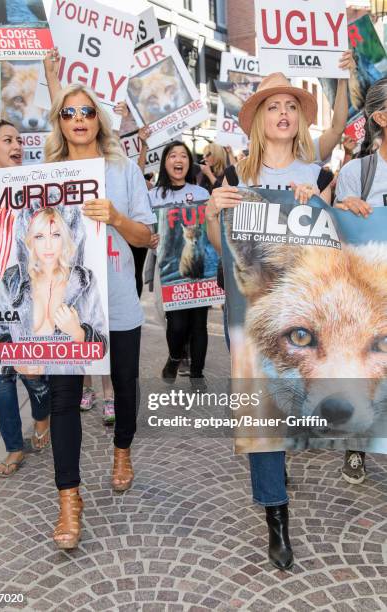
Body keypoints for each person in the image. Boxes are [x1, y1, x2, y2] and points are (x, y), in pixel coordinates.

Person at [206, 71, 324, 571]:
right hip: (254, 316)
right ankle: (276, 515)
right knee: (262, 415)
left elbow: (334, 246)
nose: (283, 112)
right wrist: (212, 211)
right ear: (257, 120)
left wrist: (330, 205)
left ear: (298, 120)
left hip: (308, 321)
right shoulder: (236, 178)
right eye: (273, 105)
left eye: (291, 106)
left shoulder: (316, 175)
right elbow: (221, 249)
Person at [42, 80, 155, 549]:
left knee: (124, 383)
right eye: (69, 113)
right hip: (64, 305)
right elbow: (19, 230)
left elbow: (145, 237)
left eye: (87, 110)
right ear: (59, 123)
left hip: (118, 300)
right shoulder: (42, 174)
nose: (79, 119)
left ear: (99, 119)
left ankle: (122, 451)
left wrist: (117, 218)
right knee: (64, 398)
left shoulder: (123, 169)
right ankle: (69, 500)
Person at [0, 52, 60, 475]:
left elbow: (63, 138)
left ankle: (43, 414)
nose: (18, 146)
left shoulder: (35, 177)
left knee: (33, 371)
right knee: (0, 374)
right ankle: (13, 445)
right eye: (8, 140)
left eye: (20, 140)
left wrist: (52, 78)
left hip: (25, 291)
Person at [334, 77, 387, 485]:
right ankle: (356, 445)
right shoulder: (358, 172)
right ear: (381, 117)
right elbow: (335, 236)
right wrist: (344, 208)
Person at [0, 205, 108, 375]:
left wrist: (78, 333)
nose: (48, 245)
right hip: (32, 383)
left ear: (65, 238)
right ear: (30, 240)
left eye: (55, 235)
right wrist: (16, 361)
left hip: (68, 381)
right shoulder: (12, 279)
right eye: (40, 236)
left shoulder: (84, 281)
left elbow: (102, 347)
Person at [148, 141, 211, 386]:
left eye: (183, 155)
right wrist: (149, 238)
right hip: (169, 269)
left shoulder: (201, 194)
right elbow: (144, 230)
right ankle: (175, 358)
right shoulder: (153, 195)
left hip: (199, 267)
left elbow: (210, 228)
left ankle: (197, 374)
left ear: (188, 162)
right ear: (165, 162)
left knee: (199, 324)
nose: (178, 159)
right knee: (176, 324)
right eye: (172, 155)